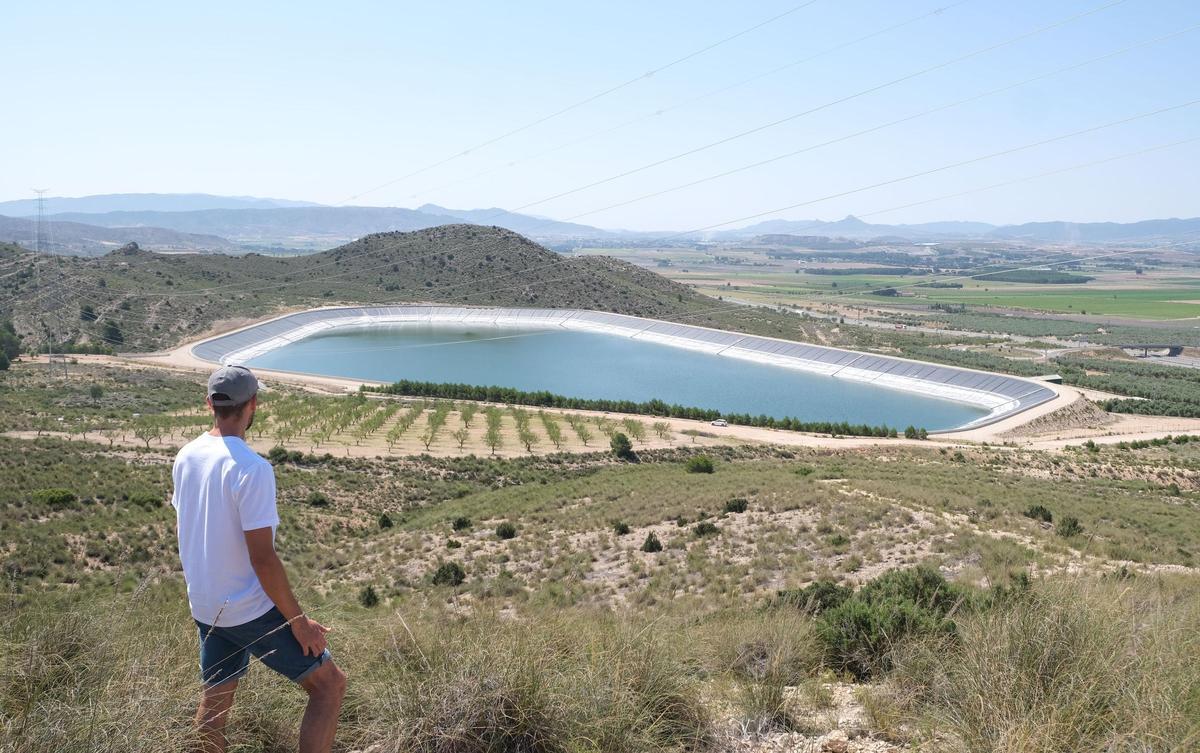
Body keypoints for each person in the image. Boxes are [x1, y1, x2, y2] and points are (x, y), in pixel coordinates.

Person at [171, 365, 347, 753]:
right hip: (246, 609)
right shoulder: (252, 469)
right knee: (329, 686)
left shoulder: (186, 456)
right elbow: (263, 559)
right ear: (253, 405)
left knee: (215, 702)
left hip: (205, 603)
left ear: (209, 404)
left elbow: (185, 530)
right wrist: (299, 624)